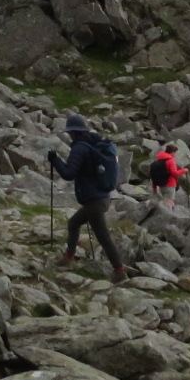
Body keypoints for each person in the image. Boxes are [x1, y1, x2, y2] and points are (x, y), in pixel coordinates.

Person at [47, 114, 127, 282]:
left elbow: (68, 174)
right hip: (102, 197)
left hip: (93, 201)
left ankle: (120, 271)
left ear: (73, 132)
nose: (69, 135)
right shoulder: (94, 143)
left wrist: (55, 160)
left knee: (103, 236)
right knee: (73, 223)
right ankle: (68, 257)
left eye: (69, 132)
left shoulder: (79, 148)